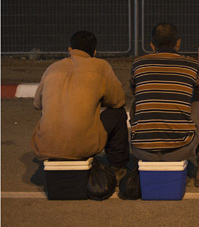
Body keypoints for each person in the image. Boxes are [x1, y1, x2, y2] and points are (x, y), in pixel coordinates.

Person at [129, 22, 199, 187]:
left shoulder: (139, 64)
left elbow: (135, 91)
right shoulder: (192, 65)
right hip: (180, 148)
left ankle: (139, 160)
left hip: (142, 149)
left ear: (151, 45)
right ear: (178, 43)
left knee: (139, 103)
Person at [31, 31, 129, 179]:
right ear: (94, 52)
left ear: (70, 50)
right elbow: (118, 101)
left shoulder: (52, 67)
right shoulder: (101, 66)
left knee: (48, 111)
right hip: (83, 147)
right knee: (118, 113)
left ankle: (56, 147)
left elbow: (37, 104)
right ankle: (117, 168)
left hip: (43, 147)